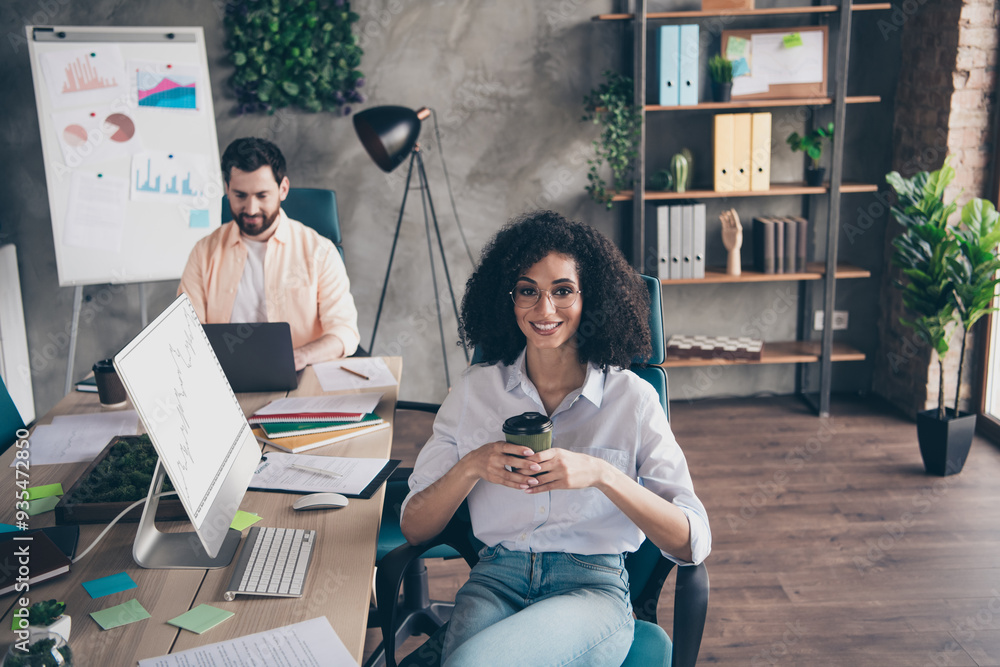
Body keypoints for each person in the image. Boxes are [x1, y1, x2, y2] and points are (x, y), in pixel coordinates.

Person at [399, 210, 711, 666]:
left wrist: (602, 475)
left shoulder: (633, 399)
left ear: (592, 297)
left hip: (590, 588)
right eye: (528, 291)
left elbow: (691, 541)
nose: (544, 311)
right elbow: (414, 524)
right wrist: (472, 466)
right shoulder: (474, 392)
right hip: (494, 581)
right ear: (509, 300)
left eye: (562, 291)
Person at [178, 137, 360, 369]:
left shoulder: (320, 251)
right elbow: (188, 333)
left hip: (301, 378)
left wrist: (301, 357)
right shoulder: (204, 252)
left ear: (283, 189)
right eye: (240, 196)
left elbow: (344, 331)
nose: (251, 209)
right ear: (227, 190)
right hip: (227, 380)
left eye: (262, 196)